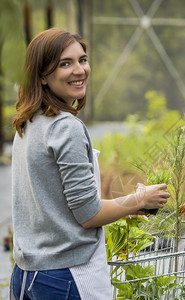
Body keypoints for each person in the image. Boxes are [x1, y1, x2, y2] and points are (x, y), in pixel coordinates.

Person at [10, 28, 170, 299]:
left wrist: (120, 208)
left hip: (27, 276)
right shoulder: (66, 127)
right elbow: (88, 216)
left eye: (82, 60)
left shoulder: (28, 123)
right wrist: (140, 199)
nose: (79, 70)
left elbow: (57, 203)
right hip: (67, 277)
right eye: (65, 63)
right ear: (42, 76)